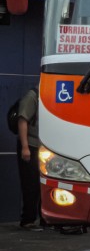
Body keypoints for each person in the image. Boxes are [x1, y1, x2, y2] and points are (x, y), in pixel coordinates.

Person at [16, 87, 42, 231]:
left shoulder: (50, 96)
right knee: (30, 184)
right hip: (31, 146)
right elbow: (22, 120)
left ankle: (45, 219)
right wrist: (25, 147)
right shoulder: (32, 96)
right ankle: (27, 220)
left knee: (43, 185)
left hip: (44, 147)